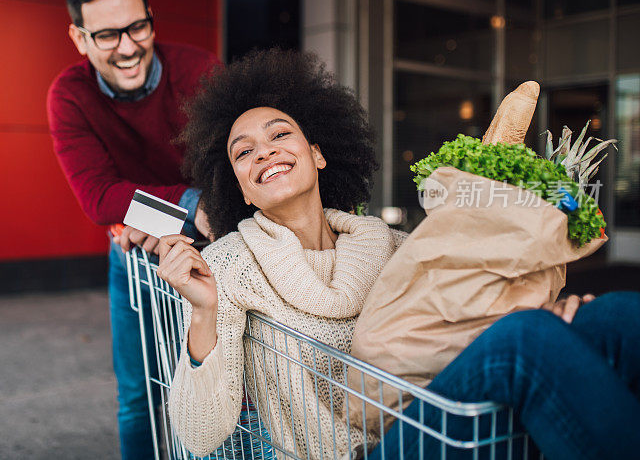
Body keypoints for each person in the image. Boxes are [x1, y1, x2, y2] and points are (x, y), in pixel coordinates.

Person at [155, 48, 640, 460]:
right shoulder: (228, 265)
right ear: (238, 186)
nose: (264, 151)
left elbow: (461, 317)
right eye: (244, 152)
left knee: (614, 316)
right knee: (527, 339)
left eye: (280, 134)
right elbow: (199, 436)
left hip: (429, 421)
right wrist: (203, 311)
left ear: (319, 153)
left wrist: (549, 309)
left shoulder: (392, 244)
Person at [46, 0, 218, 459]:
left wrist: (146, 212)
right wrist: (190, 206)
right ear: (79, 38)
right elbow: (98, 197)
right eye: (105, 35)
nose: (127, 47)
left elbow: (226, 168)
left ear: (151, 19)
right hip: (135, 259)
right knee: (140, 398)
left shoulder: (199, 71)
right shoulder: (69, 95)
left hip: (214, 254)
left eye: (136, 27)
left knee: (220, 388)